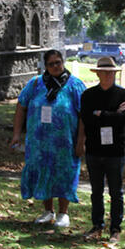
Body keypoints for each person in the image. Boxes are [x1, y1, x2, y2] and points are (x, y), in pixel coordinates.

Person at [10, 50, 85, 228]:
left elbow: (84, 115)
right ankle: (48, 211)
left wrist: (81, 141)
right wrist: (16, 134)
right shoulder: (35, 84)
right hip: (39, 143)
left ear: (63, 62)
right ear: (46, 66)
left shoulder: (75, 85)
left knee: (64, 173)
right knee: (44, 173)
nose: (55, 66)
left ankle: (63, 213)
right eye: (51, 64)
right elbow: (21, 105)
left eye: (58, 62)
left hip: (65, 143)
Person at [77, 57, 125, 243]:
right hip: (93, 149)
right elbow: (87, 118)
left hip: (115, 151)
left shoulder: (124, 95)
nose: (108, 75)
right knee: (96, 191)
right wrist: (112, 115)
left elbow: (123, 119)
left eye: (111, 72)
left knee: (116, 192)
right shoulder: (88, 95)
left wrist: (101, 114)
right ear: (97, 73)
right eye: (104, 72)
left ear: (115, 74)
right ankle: (97, 225)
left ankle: (115, 228)